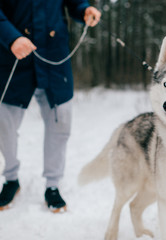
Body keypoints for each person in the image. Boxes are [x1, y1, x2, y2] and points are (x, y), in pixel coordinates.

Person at [0, 0, 101, 213]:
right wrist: (12, 37)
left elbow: (74, 2)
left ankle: (52, 185)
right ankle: (11, 179)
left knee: (60, 123)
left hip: (55, 59)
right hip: (14, 58)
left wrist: (84, 10)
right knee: (4, 125)